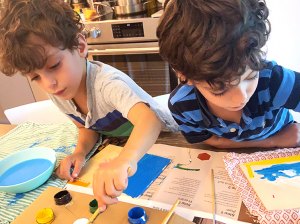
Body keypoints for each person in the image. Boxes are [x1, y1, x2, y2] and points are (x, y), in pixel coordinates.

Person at [0, 0, 176, 209]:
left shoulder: (106, 84)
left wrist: (124, 160)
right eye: (35, 77)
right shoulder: (61, 92)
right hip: (125, 147)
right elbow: (86, 126)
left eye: (54, 65)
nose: (49, 83)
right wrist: (80, 152)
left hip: (167, 139)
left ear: (81, 46)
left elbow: (150, 121)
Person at [157, 0, 300, 149]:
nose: (241, 97)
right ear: (185, 77)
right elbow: (211, 141)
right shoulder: (182, 105)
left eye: (251, 77)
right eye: (221, 89)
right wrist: (275, 140)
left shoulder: (274, 80)